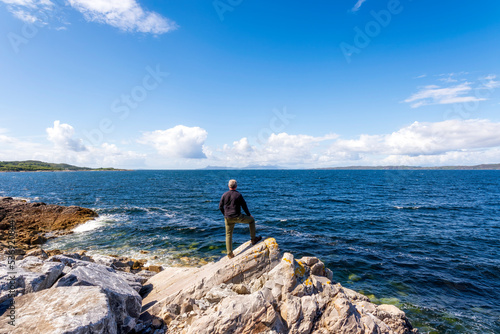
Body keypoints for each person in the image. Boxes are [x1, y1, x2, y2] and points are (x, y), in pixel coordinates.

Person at [219, 179, 262, 259]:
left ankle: (229, 254)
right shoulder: (238, 195)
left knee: (228, 235)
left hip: (228, 218)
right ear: (236, 186)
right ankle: (253, 239)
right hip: (237, 216)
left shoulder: (224, 195)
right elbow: (244, 206)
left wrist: (225, 214)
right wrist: (249, 215)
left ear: (228, 186)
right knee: (252, 221)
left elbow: (220, 207)